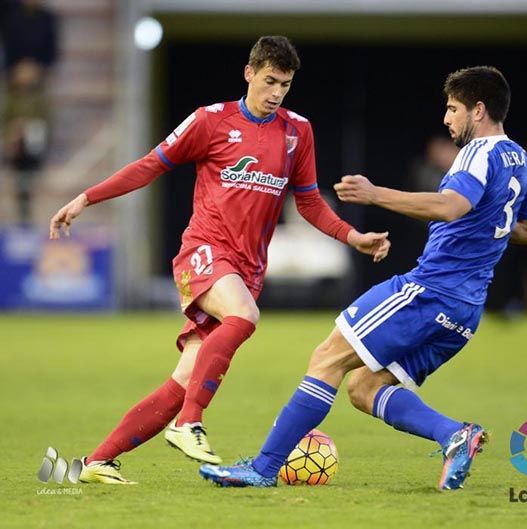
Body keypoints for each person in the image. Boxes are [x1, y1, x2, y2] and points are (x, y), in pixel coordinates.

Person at [48, 36, 390, 485]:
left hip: (247, 268)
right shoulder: (211, 121)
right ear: (249, 73)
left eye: (285, 85)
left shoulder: (297, 132)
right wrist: (87, 198)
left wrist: (353, 236)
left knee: (181, 382)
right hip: (204, 250)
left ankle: (97, 462)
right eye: (269, 81)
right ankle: (189, 423)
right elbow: (150, 165)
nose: (276, 93)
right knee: (245, 316)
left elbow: (307, 202)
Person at [200, 65, 527, 491]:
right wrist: (489, 219)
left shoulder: (478, 152)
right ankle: (455, 434)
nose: (447, 119)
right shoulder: (520, 160)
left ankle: (263, 467)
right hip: (466, 311)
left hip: (430, 292)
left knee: (327, 357)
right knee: (363, 387)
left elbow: (450, 206)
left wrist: (373, 194)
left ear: (478, 110)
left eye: (453, 109)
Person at [2, 0, 58, 223]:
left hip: (38, 83)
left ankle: (30, 207)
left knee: (34, 142)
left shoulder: (48, 18)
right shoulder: (9, 12)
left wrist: (36, 69)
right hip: (10, 78)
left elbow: (52, 53)